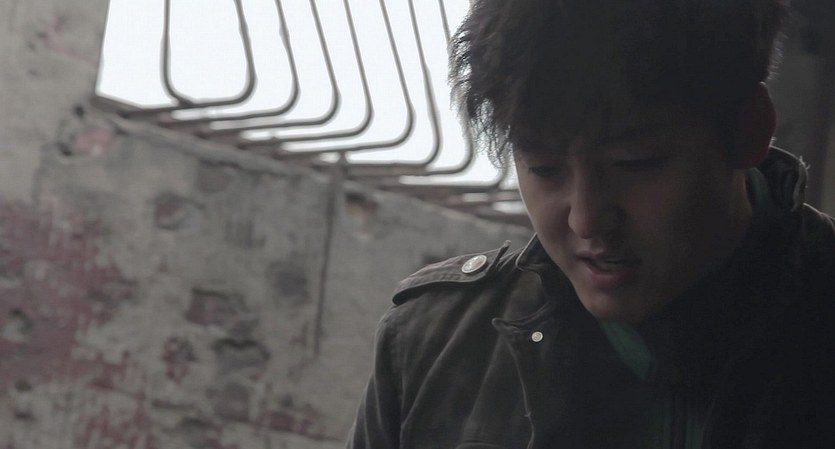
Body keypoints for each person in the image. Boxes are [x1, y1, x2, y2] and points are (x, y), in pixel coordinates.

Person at [347, 0, 835, 447]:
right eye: (545, 169)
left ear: (749, 130)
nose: (586, 220)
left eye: (634, 164)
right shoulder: (433, 344)